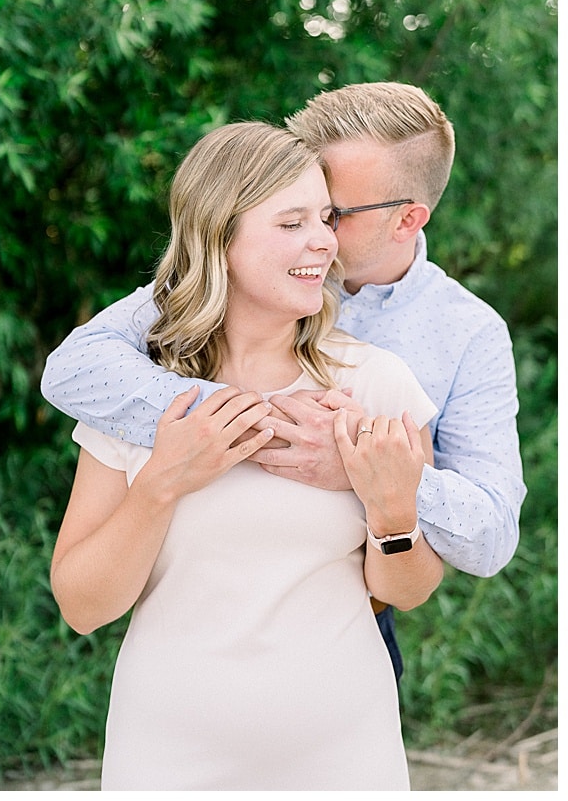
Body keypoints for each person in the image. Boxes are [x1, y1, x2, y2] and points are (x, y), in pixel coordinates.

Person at [41, 82, 525, 679]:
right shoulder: (238, 276)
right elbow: (73, 368)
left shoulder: (465, 332)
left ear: (408, 220)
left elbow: (491, 535)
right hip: (188, 640)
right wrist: (246, 420)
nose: (316, 234)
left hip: (352, 628)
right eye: (293, 209)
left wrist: (361, 467)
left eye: (332, 213)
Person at [50, 122, 444, 789]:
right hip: (167, 759)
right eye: (291, 222)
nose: (323, 240)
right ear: (218, 238)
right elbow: (84, 607)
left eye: (325, 218)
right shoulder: (137, 397)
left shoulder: (375, 384)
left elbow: (407, 590)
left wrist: (390, 506)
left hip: (346, 759)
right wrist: (161, 484)